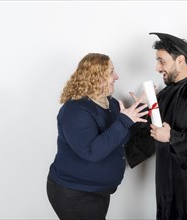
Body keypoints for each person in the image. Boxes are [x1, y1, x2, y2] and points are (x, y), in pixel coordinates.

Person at [125, 33, 187, 220]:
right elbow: (150, 135)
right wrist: (134, 115)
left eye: (161, 61)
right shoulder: (164, 95)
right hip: (166, 182)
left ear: (180, 60)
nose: (157, 68)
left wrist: (172, 137)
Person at [46, 53, 148, 220]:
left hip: (98, 190)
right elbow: (91, 152)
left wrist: (137, 114)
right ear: (95, 77)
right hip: (75, 193)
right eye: (111, 72)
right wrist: (124, 121)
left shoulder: (111, 103)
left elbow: (119, 138)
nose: (116, 77)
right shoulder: (75, 110)